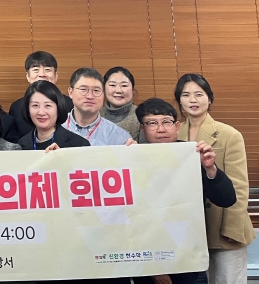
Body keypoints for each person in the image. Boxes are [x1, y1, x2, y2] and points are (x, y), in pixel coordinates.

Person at [129, 97, 236, 284]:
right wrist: (153, 267)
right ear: (142, 128)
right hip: (147, 260)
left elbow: (227, 199)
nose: (161, 129)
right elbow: (129, 217)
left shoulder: (192, 155)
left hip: (189, 258)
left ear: (177, 126)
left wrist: (210, 168)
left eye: (166, 122)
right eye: (152, 123)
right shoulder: (132, 159)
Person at [175, 74, 254, 283]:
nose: (193, 100)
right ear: (179, 101)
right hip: (190, 231)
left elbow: (239, 187)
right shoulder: (174, 134)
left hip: (222, 228)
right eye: (186, 95)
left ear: (209, 99)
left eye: (199, 94)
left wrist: (232, 230)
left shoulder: (229, 135)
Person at [7, 51, 73, 143]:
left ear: (56, 76)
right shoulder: (16, 107)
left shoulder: (70, 104)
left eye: (47, 69)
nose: (42, 74)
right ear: (28, 76)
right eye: (36, 70)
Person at [65, 67, 131, 146]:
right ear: (70, 92)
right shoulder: (56, 126)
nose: (90, 96)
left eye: (96, 90)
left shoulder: (120, 137)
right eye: (83, 89)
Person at [17, 80, 89, 151]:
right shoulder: (21, 146)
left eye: (48, 105)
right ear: (28, 110)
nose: (41, 112)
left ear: (58, 109)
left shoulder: (80, 145)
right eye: (35, 105)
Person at [102, 66, 142, 141]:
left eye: (124, 85)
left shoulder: (141, 116)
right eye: (112, 85)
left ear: (133, 90)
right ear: (103, 89)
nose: (118, 90)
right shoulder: (95, 116)